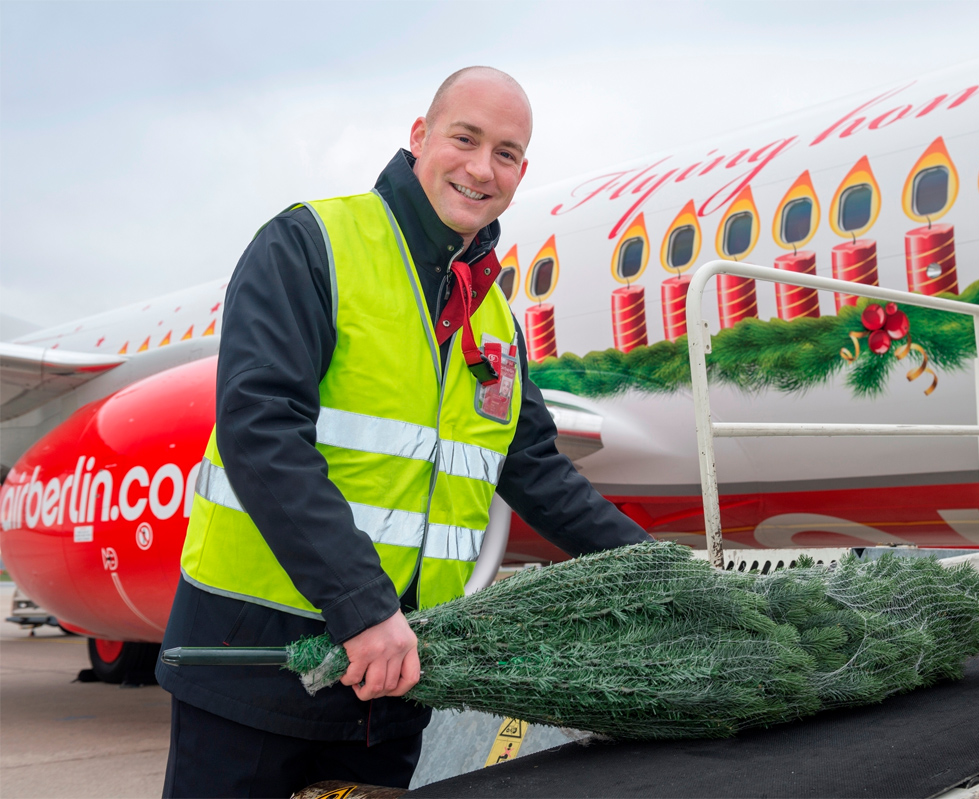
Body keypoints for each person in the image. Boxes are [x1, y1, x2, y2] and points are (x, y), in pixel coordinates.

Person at [156, 66, 652, 798]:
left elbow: (540, 474)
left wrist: (661, 576)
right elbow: (261, 433)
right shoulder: (311, 243)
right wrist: (365, 607)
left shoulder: (492, 319)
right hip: (255, 665)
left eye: (507, 153)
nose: (483, 169)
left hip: (390, 690)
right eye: (466, 138)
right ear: (420, 137)